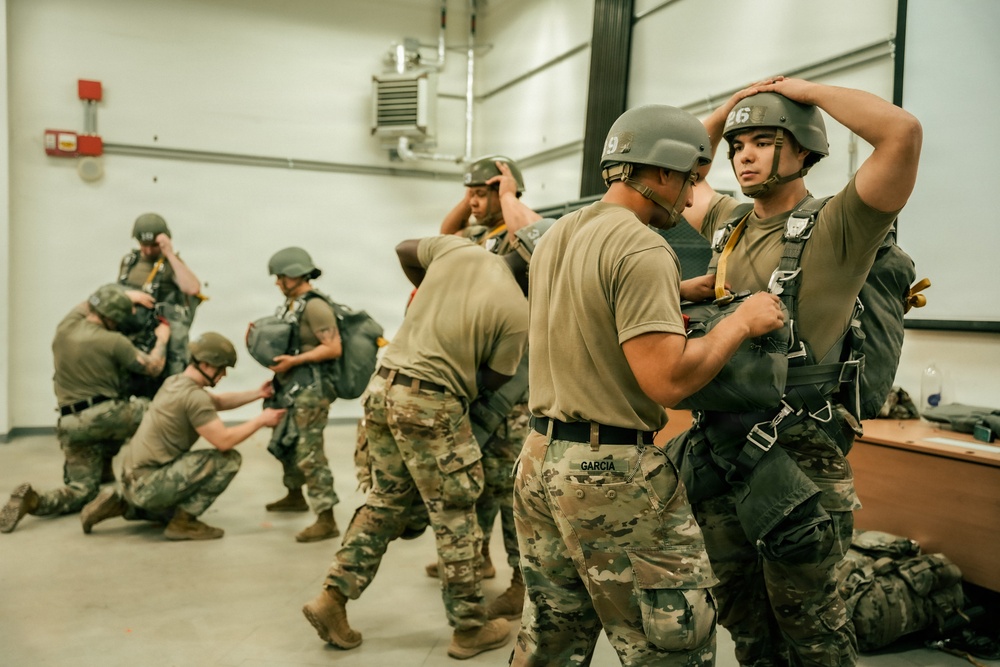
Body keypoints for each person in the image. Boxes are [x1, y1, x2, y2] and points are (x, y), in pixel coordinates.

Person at [511, 104, 786, 665]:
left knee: (553, 638)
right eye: (690, 180)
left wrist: (677, 294)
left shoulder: (560, 234)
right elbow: (667, 380)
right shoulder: (642, 247)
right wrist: (742, 321)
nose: (690, 200)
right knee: (672, 647)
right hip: (609, 473)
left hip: (540, 460)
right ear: (661, 172)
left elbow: (586, 309)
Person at [681, 77, 923, 666]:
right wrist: (740, 100)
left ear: (804, 150)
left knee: (813, 632)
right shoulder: (729, 223)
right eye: (738, 145)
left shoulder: (841, 227)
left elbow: (902, 133)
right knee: (743, 621)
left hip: (798, 456)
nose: (743, 154)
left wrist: (804, 92)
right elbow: (681, 170)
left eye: (764, 140)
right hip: (719, 449)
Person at [302, 227, 539, 660]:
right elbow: (493, 380)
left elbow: (404, 249)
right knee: (456, 511)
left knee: (386, 501)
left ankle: (331, 598)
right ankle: (469, 629)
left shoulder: (454, 250)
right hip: (432, 401)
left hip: (382, 387)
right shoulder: (518, 312)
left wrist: (433, 291)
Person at [426, 155, 543, 621]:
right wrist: (474, 193)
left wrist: (508, 193)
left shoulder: (526, 233)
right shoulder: (479, 236)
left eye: (482, 193)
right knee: (478, 478)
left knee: (511, 487)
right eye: (469, 193)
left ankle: (521, 580)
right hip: (481, 376)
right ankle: (479, 556)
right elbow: (444, 234)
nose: (473, 202)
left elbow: (535, 244)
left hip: (517, 381)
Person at [79, 332, 286, 540]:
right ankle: (183, 523)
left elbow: (220, 402)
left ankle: (120, 503)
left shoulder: (176, 382)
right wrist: (262, 420)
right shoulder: (194, 397)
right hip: (148, 483)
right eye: (221, 367)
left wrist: (258, 394)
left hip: (133, 477)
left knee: (168, 507)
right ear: (205, 365)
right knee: (228, 460)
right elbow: (224, 441)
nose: (224, 374)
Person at [0, 284, 169, 534]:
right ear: (113, 319)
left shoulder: (66, 327)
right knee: (158, 411)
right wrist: (163, 338)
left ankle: (34, 500)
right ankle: (158, 482)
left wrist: (128, 295)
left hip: (71, 422)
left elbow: (88, 302)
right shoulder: (114, 341)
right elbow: (153, 366)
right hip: (106, 415)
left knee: (80, 491)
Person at [261, 247, 342, 543]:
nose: (278, 282)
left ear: (295, 275)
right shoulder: (292, 305)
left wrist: (294, 362)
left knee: (310, 454)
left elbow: (333, 348)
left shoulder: (315, 306)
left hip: (311, 392)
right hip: (292, 388)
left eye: (281, 277)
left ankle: (326, 518)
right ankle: (295, 494)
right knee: (287, 444)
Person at [117, 212, 203, 391]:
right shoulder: (129, 262)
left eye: (154, 245)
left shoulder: (172, 264)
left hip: (163, 334)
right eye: (143, 245)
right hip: (133, 334)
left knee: (169, 386)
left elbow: (193, 288)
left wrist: (169, 254)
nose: (148, 250)